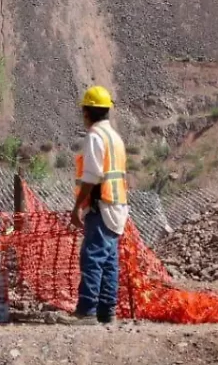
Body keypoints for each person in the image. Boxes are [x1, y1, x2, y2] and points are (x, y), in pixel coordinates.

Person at [69, 85, 129, 326]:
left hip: (101, 206)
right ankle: (106, 311)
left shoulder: (95, 136)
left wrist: (76, 208)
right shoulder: (115, 137)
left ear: (87, 112)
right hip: (117, 206)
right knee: (109, 261)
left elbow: (92, 176)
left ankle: (87, 310)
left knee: (92, 257)